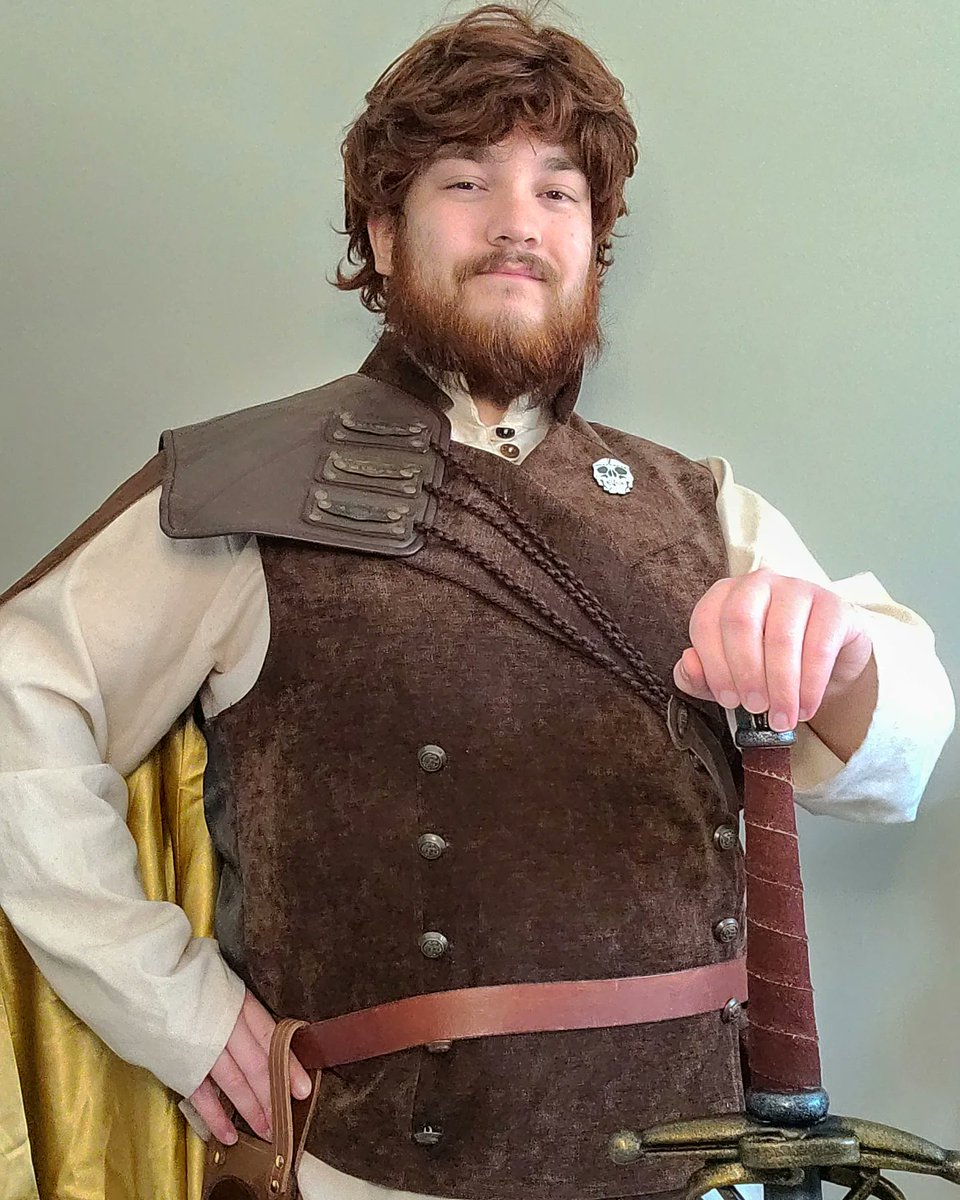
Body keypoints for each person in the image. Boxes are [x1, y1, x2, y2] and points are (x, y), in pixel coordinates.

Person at [0, 5, 953, 1200]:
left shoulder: (702, 509)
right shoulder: (254, 489)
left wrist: (845, 660)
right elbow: (17, 703)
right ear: (382, 232)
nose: (518, 223)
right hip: (378, 1176)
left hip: (710, 1171)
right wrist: (172, 1009)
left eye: (558, 192)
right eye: (466, 181)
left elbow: (898, 759)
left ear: (593, 244)